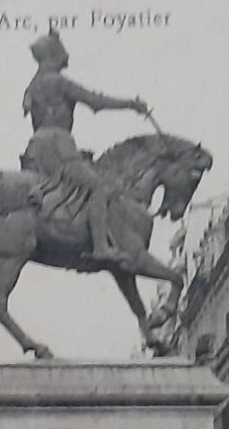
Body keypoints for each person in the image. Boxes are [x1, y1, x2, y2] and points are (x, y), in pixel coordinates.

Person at [21, 28, 150, 269]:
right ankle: (100, 246)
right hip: (59, 144)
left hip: (36, 145)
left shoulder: (33, 85)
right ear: (54, 54)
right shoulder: (58, 82)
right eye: (62, 51)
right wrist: (131, 104)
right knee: (99, 186)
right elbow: (96, 101)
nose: (66, 55)